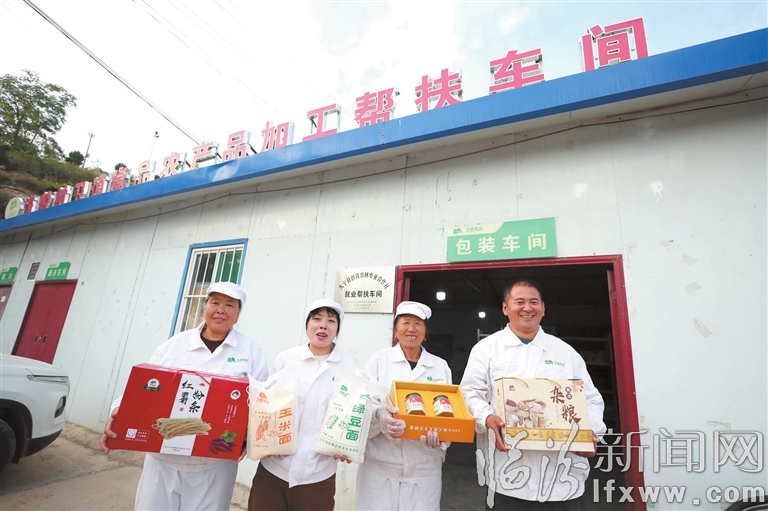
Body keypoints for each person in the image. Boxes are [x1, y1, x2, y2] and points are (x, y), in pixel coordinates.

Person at [100, 281, 269, 511]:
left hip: (215, 464)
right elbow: (144, 385)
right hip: (163, 459)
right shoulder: (175, 345)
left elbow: (261, 400)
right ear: (205, 306)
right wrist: (118, 412)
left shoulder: (250, 350)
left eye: (230, 305)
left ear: (238, 313)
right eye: (215, 302)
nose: (221, 310)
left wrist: (251, 436)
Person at [460, 280, 606, 510]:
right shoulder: (486, 349)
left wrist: (589, 433)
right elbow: (470, 393)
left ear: (543, 308)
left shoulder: (565, 352)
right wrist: (486, 417)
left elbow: (591, 400)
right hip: (508, 476)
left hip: (563, 479)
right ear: (505, 308)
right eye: (519, 302)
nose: (527, 308)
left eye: (534, 302)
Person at [248, 298, 355, 511]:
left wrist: (347, 445)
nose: (323, 325)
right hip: (274, 469)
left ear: (337, 329)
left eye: (331, 321)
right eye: (317, 319)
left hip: (318, 476)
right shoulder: (287, 359)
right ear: (307, 324)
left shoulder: (348, 366)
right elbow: (267, 404)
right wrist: (265, 441)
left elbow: (351, 412)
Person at [356, 301, 452, 511]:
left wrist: (441, 437)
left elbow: (449, 412)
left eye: (418, 323)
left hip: (424, 470)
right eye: (405, 322)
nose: (411, 328)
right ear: (395, 330)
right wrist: (379, 416)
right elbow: (364, 405)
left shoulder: (439, 366)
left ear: (425, 332)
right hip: (379, 468)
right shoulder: (379, 360)